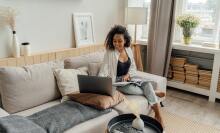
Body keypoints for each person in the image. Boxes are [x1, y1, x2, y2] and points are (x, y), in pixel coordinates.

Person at [98, 25, 165, 127]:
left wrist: (128, 74)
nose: (116, 44)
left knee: (146, 84)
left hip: (129, 78)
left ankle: (157, 110)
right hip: (118, 82)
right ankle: (156, 106)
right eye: (114, 41)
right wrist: (102, 84)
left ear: (125, 40)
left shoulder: (128, 50)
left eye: (119, 41)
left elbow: (133, 68)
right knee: (137, 90)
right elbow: (103, 71)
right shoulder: (110, 53)